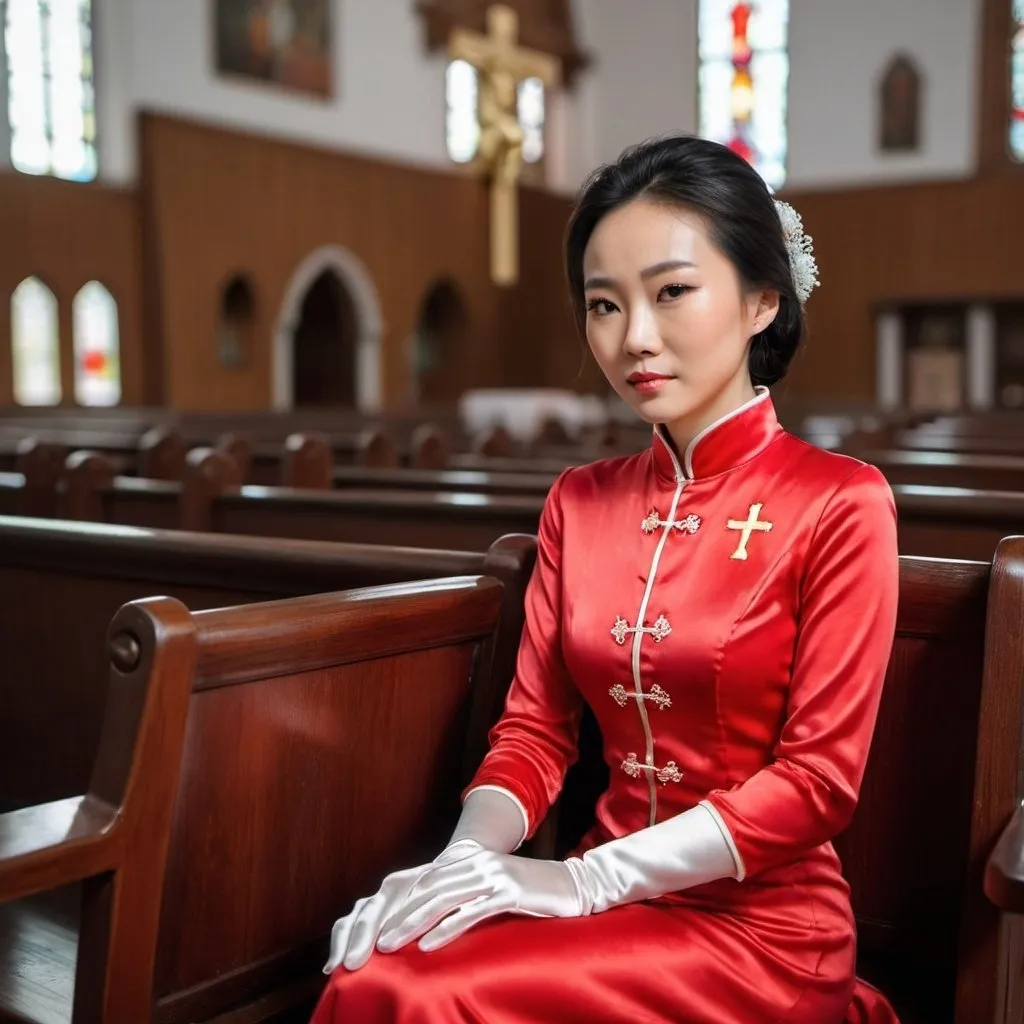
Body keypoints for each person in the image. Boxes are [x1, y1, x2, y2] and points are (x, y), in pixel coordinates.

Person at [311, 135, 901, 1024]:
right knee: (385, 956)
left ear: (761, 299)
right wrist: (459, 867)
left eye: (671, 292)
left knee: (397, 987)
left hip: (762, 935)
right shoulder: (579, 501)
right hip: (590, 904)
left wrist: (583, 879)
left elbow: (819, 781)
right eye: (603, 304)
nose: (634, 339)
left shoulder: (840, 502)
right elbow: (534, 734)